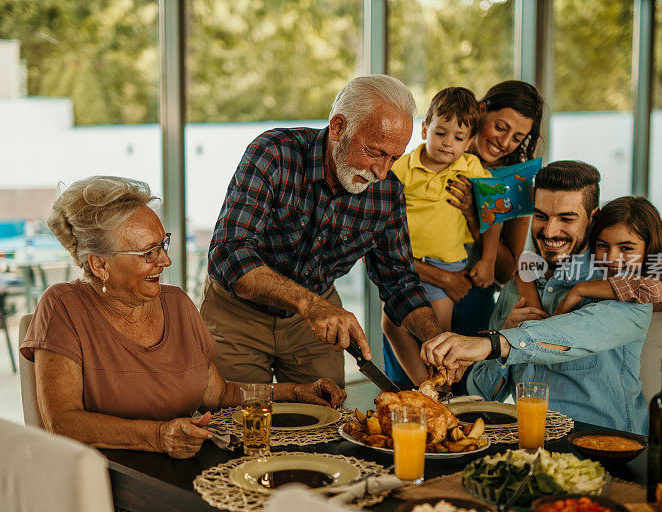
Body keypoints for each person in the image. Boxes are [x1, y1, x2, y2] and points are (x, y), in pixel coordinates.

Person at [20, 176, 346, 460]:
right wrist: (160, 436)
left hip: (177, 469)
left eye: (163, 244)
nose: (164, 260)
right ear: (99, 265)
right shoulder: (62, 307)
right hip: (103, 483)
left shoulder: (176, 304)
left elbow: (220, 395)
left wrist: (295, 392)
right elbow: (62, 422)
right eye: (148, 253)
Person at [202, 75, 443, 387]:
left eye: (394, 158)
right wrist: (309, 303)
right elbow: (227, 253)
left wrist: (436, 338)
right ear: (338, 127)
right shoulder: (274, 153)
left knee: (327, 422)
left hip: (317, 321)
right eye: (375, 152)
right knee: (236, 426)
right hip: (238, 314)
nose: (381, 171)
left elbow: (398, 281)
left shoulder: (388, 192)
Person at [420, 161, 653, 433]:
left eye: (566, 218)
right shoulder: (519, 286)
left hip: (607, 449)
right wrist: (503, 335)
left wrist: (493, 343)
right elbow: (481, 395)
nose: (550, 231)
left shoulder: (628, 288)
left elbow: (571, 333)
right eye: (541, 216)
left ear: (593, 218)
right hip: (529, 449)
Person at [383, 81, 544, 385]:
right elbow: (379, 244)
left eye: (517, 137)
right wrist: (443, 278)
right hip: (415, 287)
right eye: (500, 127)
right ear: (481, 112)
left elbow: (506, 271)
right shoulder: (419, 161)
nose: (505, 142)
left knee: (459, 394)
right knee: (408, 398)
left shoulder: (514, 182)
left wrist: (474, 214)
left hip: (472, 303)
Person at [382, 87, 497, 384]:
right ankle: (425, 384)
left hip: (445, 263)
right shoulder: (402, 167)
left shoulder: (470, 167)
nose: (448, 144)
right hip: (404, 264)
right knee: (390, 324)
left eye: (458, 138)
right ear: (424, 129)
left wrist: (487, 258)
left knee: (437, 334)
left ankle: (440, 384)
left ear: (469, 141)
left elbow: (492, 211)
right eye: (441, 133)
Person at [529, 196, 662, 346]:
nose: (612, 257)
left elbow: (650, 289)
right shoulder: (595, 268)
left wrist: (581, 289)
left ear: (650, 247)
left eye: (626, 248)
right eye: (602, 245)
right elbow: (525, 267)